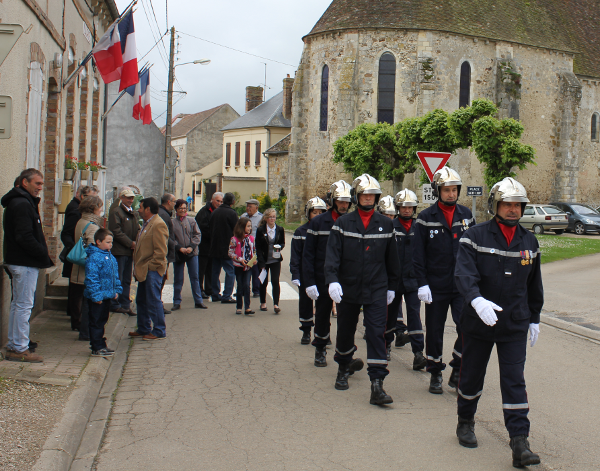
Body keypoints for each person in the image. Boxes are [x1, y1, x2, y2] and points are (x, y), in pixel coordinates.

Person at [454, 177, 542, 468]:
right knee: (471, 376)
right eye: (507, 204)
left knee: (514, 381)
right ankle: (465, 420)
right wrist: (476, 300)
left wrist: (535, 317)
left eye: (517, 205)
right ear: (495, 205)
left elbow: (534, 285)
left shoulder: (529, 241)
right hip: (479, 322)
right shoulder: (474, 236)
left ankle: (520, 442)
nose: (513, 210)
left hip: (514, 323)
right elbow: (464, 274)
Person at [325, 174, 400, 405]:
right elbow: (333, 255)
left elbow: (392, 260)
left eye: (372, 195)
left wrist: (392, 287)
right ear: (357, 197)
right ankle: (343, 366)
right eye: (364, 194)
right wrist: (332, 280)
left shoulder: (387, 224)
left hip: (377, 287)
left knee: (376, 333)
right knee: (346, 329)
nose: (368, 198)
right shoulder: (343, 223)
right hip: (348, 286)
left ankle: (377, 384)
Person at [413, 167, 475, 394]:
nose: (451, 194)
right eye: (446, 190)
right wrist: (422, 283)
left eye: (454, 190)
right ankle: (435, 372)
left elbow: (474, 251)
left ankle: (457, 367)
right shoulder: (425, 218)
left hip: (461, 286)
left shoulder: (466, 215)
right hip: (435, 285)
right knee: (435, 330)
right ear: (438, 191)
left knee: (467, 328)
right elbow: (417, 255)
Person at [1, 169, 52, 362]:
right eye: (37, 184)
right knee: (23, 305)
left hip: (21, 261)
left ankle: (16, 343)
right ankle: (20, 347)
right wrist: (42, 253)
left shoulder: (21, 202)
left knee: (18, 305)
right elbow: (24, 236)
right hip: (24, 262)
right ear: (25, 182)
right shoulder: (22, 204)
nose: (40, 188)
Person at [303, 180, 352, 367]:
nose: (344, 205)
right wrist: (309, 282)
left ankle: (345, 351)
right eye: (340, 200)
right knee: (323, 315)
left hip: (345, 278)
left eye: (347, 201)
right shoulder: (318, 222)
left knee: (346, 317)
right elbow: (308, 255)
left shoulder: (351, 222)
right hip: (322, 276)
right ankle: (320, 348)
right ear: (332, 200)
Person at [385, 190, 427, 370]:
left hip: (413, 280)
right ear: (398, 207)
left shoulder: (419, 227)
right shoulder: (389, 226)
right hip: (393, 281)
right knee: (390, 315)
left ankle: (418, 353)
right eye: (403, 207)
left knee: (414, 315)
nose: (407, 210)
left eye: (410, 207)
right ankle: (385, 345)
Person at [129, 197, 169, 341]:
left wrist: (151, 266)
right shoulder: (148, 223)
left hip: (152, 270)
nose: (138, 210)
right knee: (141, 300)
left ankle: (159, 330)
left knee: (153, 300)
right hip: (144, 269)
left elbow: (161, 251)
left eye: (140, 207)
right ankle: (143, 328)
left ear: (147, 209)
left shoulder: (158, 224)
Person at [290, 197, 327, 344]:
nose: (317, 215)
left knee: (323, 305)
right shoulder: (301, 231)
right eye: (314, 212)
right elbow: (296, 254)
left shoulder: (328, 230)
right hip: (306, 272)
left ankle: (323, 332)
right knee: (305, 303)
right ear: (308, 213)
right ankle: (306, 330)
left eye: (320, 212)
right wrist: (295, 273)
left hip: (322, 272)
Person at [69, 196, 104, 337]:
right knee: (89, 302)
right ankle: (86, 332)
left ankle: (84, 330)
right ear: (94, 208)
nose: (101, 210)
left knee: (83, 300)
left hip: (79, 268)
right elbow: (92, 247)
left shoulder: (81, 221)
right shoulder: (92, 225)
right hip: (88, 269)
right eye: (99, 207)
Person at [84, 228, 122, 357]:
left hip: (107, 295)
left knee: (102, 320)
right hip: (98, 297)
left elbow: (115, 276)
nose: (110, 245)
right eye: (107, 242)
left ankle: (101, 343)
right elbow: (91, 278)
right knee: (96, 321)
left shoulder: (110, 257)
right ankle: (96, 346)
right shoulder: (94, 258)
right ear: (98, 242)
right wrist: (96, 295)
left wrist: (116, 290)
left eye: (111, 242)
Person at [61, 185, 96, 319]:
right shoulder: (75, 211)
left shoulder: (80, 212)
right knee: (76, 287)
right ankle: (75, 316)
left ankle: (75, 315)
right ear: (82, 197)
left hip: (76, 254)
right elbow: (66, 233)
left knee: (76, 286)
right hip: (76, 255)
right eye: (91, 198)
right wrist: (75, 249)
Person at [108, 188, 140, 316]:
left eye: (132, 198)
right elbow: (116, 231)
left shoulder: (133, 213)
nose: (130, 200)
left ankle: (125, 304)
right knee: (118, 278)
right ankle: (115, 303)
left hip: (129, 251)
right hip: (120, 250)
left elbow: (137, 228)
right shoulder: (116, 211)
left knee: (127, 279)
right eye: (128, 198)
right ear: (121, 198)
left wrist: (136, 241)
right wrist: (130, 243)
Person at [172, 199, 207, 310]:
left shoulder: (191, 220)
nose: (182, 210)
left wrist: (191, 247)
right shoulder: (172, 222)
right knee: (178, 278)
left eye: (184, 208)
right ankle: (176, 301)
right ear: (176, 209)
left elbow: (198, 235)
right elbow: (170, 238)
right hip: (179, 253)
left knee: (195, 277)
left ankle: (198, 301)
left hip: (192, 253)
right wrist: (179, 248)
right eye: (180, 208)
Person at [208, 192, 238, 303]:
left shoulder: (215, 212)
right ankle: (226, 295)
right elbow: (236, 230)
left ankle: (215, 294)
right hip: (227, 247)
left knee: (215, 271)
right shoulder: (232, 213)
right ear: (233, 202)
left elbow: (210, 227)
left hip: (214, 246)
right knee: (230, 271)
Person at [256, 208, 285, 313]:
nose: (272, 219)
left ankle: (276, 304)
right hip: (264, 259)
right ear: (266, 218)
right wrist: (261, 262)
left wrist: (279, 247)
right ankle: (263, 302)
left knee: (275, 281)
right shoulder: (261, 230)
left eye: (274, 217)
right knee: (263, 281)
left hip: (275, 260)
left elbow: (282, 243)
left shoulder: (280, 229)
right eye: (270, 217)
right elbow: (258, 247)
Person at [195, 192, 223, 299]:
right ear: (212, 200)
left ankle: (209, 289)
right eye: (217, 201)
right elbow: (202, 228)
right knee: (201, 269)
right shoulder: (204, 212)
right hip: (203, 246)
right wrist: (214, 234)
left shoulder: (218, 211)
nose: (219, 203)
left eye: (221, 201)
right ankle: (199, 290)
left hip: (213, 247)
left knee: (211, 269)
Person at [228, 217, 257, 315]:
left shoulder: (251, 239)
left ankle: (247, 307)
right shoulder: (234, 239)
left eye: (250, 226)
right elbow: (230, 252)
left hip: (248, 266)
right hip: (239, 266)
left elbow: (254, 250)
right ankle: (239, 306)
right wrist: (240, 259)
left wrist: (254, 259)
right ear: (241, 227)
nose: (249, 228)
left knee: (247, 285)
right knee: (240, 285)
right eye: (248, 226)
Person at [158, 193, 177, 314]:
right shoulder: (163, 215)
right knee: (161, 279)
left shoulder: (163, 213)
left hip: (165, 250)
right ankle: (158, 304)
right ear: (169, 202)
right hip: (163, 251)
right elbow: (165, 235)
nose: (175, 204)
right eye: (174, 202)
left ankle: (157, 303)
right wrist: (174, 245)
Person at [241, 198, 263, 297]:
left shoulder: (260, 218)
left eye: (250, 206)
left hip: (255, 247)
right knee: (244, 268)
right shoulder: (243, 217)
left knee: (255, 269)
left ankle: (256, 290)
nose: (248, 208)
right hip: (243, 247)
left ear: (256, 208)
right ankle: (243, 289)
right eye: (247, 206)